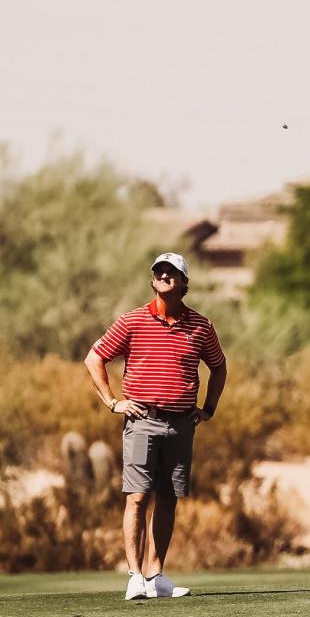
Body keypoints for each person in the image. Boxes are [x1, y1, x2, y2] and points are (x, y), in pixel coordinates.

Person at [84, 252, 227, 600]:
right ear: (152, 281)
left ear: (184, 283)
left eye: (171, 272)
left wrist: (208, 408)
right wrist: (112, 401)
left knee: (167, 499)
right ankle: (135, 576)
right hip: (141, 420)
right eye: (159, 271)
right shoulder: (132, 321)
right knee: (137, 497)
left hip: (181, 424)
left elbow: (219, 367)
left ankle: (156, 574)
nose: (164, 276)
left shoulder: (201, 326)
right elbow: (95, 358)